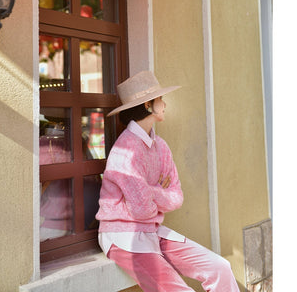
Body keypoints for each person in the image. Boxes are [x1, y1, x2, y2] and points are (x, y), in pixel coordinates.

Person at [95, 71, 240, 292]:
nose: (164, 104)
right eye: (160, 99)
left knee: (220, 267)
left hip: (152, 231)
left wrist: (149, 191)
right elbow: (142, 210)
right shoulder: (125, 150)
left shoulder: (160, 146)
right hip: (123, 236)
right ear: (147, 105)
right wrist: (157, 193)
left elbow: (176, 198)